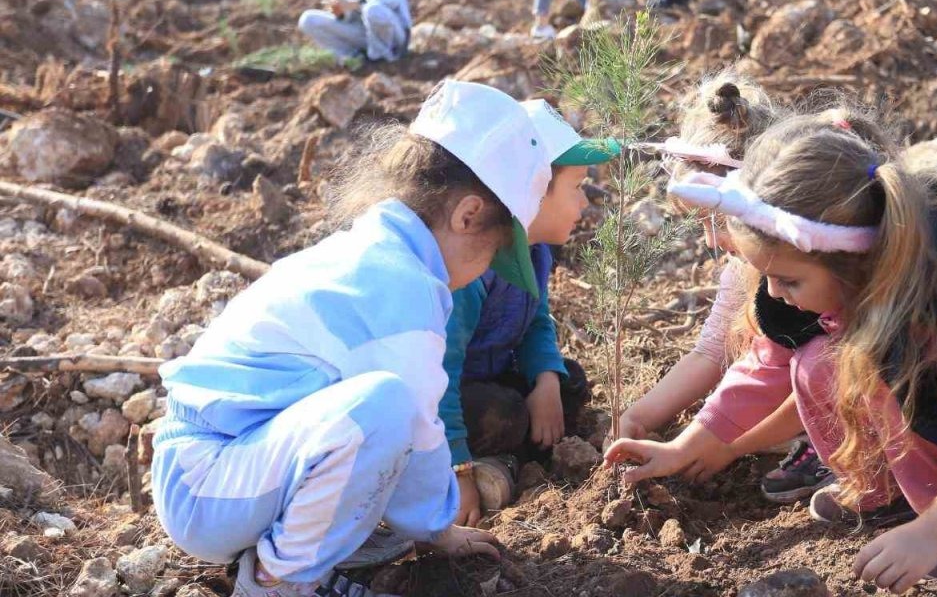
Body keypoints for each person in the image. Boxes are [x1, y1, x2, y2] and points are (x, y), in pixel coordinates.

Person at [608, 113, 937, 592]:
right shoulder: (826, 273)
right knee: (816, 362)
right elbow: (765, 365)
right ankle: (888, 489)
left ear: (851, 263)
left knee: (871, 375)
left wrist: (931, 534)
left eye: (787, 280)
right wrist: (688, 445)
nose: (773, 293)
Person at [151, 80, 555, 597]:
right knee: (384, 406)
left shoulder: (375, 250)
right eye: (493, 252)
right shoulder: (400, 287)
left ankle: (299, 552)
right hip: (208, 488)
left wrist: (428, 526)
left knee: (382, 410)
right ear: (469, 214)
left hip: (225, 471)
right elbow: (421, 427)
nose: (484, 271)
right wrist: (437, 527)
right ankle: (279, 582)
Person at [618, 77, 834, 505]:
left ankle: (843, 452)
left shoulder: (822, 261)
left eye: (716, 221)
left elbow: (823, 374)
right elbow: (714, 351)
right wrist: (639, 416)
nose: (712, 241)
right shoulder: (746, 267)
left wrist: (734, 445)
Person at [444, 101, 621, 526]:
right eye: (576, 186)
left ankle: (510, 454)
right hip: (448, 398)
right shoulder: (473, 269)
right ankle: (487, 467)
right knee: (504, 412)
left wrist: (544, 380)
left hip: (493, 374)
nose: (583, 202)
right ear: (534, 190)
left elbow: (535, 321)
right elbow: (441, 373)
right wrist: (459, 470)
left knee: (568, 381)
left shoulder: (536, 252)